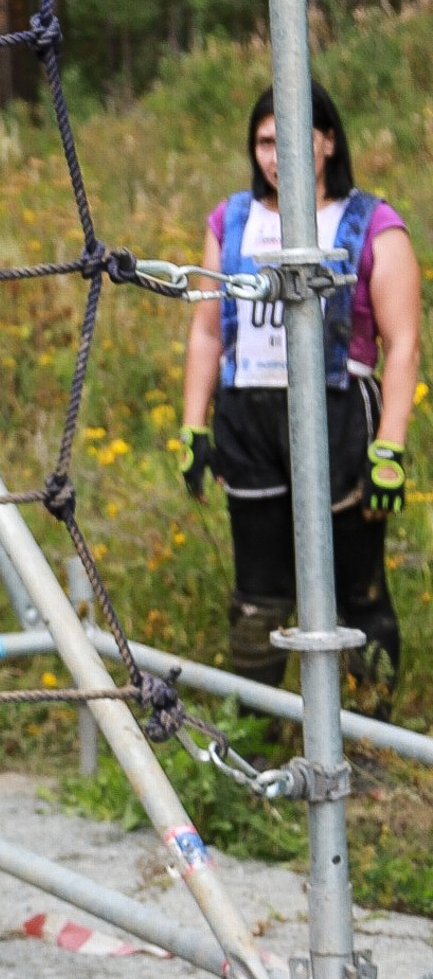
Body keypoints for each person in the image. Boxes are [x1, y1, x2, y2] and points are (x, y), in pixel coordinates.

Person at [181, 81, 420, 708]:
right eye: (264, 139)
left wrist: (390, 446)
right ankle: (257, 740)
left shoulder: (372, 223)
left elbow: (403, 345)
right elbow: (207, 331)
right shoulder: (230, 219)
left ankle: (372, 735)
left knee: (355, 590)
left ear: (328, 140)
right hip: (248, 418)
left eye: (292, 135)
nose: (276, 152)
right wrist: (193, 426)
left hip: (341, 417)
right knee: (258, 593)